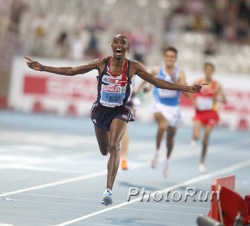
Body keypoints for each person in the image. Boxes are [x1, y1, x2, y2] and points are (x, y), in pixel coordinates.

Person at [24, 34, 202, 205]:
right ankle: (112, 150)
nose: (119, 45)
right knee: (104, 151)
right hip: (101, 110)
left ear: (127, 48)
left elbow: (157, 82)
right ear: (112, 47)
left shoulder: (133, 67)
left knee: (113, 147)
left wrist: (185, 88)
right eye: (116, 42)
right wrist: (43, 67)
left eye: (122, 43)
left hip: (120, 111)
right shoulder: (102, 63)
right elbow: (72, 71)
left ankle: (108, 191)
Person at [137, 47, 187, 178]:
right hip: (159, 104)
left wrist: (174, 78)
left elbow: (184, 89)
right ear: (164, 57)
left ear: (175, 59)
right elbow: (147, 78)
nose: (169, 58)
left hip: (174, 108)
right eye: (167, 56)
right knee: (163, 125)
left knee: (170, 138)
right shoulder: (157, 69)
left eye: (172, 56)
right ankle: (157, 153)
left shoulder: (180, 72)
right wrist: (142, 89)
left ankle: (167, 162)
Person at [191, 62, 227, 173]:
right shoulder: (198, 82)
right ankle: (194, 139)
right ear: (204, 70)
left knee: (206, 139)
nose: (208, 71)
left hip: (211, 113)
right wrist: (194, 103)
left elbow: (225, 100)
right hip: (200, 112)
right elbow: (190, 93)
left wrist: (216, 98)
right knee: (196, 136)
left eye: (210, 70)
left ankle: (202, 161)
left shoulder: (217, 85)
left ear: (212, 71)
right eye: (207, 69)